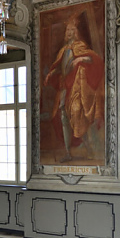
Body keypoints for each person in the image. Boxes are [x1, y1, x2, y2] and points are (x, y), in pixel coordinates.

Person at [43, 12, 104, 162]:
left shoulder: (80, 46)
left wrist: (80, 59)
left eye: (71, 30)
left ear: (75, 32)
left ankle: (90, 147)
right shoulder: (63, 50)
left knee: (77, 116)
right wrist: (51, 73)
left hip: (77, 86)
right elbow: (62, 67)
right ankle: (68, 152)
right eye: (67, 30)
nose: (68, 33)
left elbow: (93, 58)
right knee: (62, 116)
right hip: (65, 87)